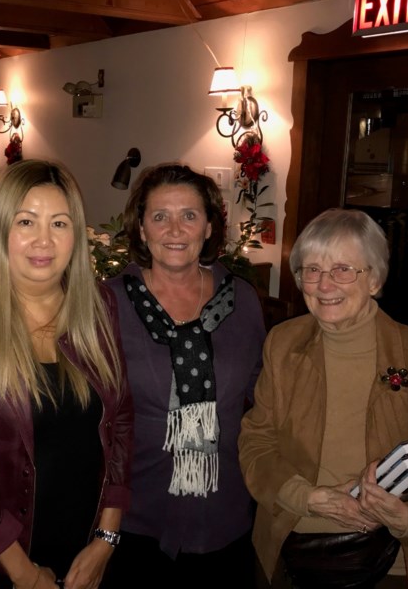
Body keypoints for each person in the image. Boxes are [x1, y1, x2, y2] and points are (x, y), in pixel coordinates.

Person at [238, 208, 408, 589]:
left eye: (343, 269)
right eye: (311, 270)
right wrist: (307, 497)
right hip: (289, 550)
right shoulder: (283, 343)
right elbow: (256, 441)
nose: (324, 284)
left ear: (375, 279)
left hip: (396, 566)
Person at [0, 159, 133, 589]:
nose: (44, 240)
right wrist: (23, 574)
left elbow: (122, 422)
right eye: (26, 221)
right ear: (1, 229)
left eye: (59, 223)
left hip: (87, 553)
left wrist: (106, 540)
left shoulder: (99, 307)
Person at [103, 163, 266, 588]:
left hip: (226, 517)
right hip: (135, 520)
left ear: (209, 227)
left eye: (189, 215)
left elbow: (265, 400)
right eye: (160, 217)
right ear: (141, 229)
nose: (175, 229)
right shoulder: (107, 304)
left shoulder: (243, 301)